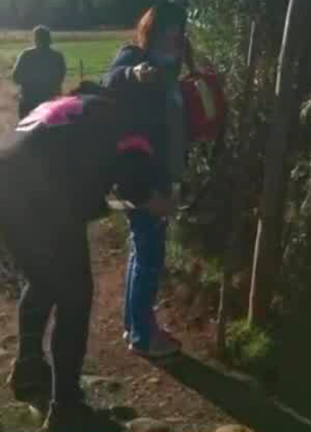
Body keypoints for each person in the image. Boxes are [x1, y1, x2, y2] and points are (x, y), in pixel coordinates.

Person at [0, 83, 174, 431]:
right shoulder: (125, 120)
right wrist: (154, 201)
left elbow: (85, 171)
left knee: (41, 280)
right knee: (75, 296)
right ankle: (65, 406)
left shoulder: (74, 109)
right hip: (38, 195)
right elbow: (132, 183)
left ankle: (29, 369)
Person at [102, 1, 196, 358]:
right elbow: (110, 81)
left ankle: (136, 326)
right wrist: (133, 74)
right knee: (150, 256)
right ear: (152, 31)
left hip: (157, 175)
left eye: (179, 31)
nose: (174, 37)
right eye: (167, 30)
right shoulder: (133, 57)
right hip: (138, 178)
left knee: (142, 253)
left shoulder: (170, 71)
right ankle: (142, 335)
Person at [12, 25, 67, 119]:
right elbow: (60, 78)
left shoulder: (26, 55)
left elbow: (16, 78)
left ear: (35, 39)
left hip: (29, 102)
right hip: (51, 103)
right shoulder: (57, 56)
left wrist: (31, 80)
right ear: (49, 39)